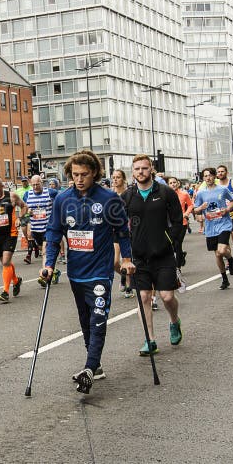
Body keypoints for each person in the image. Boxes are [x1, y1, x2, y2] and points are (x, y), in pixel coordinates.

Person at [41, 150, 134, 394]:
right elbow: (54, 233)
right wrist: (49, 264)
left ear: (94, 173)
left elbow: (122, 232)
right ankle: (96, 364)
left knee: (98, 317)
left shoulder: (109, 199)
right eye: (75, 175)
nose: (79, 179)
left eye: (84, 174)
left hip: (100, 271)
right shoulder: (62, 199)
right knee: (85, 319)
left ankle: (89, 368)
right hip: (76, 272)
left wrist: (126, 259)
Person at [124, 160, 184, 356]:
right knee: (143, 297)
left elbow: (178, 221)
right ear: (132, 172)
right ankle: (150, 340)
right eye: (137, 169)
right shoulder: (128, 196)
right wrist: (125, 251)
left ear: (151, 169)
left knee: (167, 297)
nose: (141, 172)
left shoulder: (165, 192)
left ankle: (174, 321)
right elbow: (119, 225)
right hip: (139, 256)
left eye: (144, 168)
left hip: (163, 254)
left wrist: (169, 241)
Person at [193, 167, 233, 290]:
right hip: (210, 227)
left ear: (214, 176)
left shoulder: (222, 189)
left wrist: (227, 209)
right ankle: (225, 279)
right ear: (203, 178)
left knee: (221, 250)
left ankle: (230, 259)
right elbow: (195, 210)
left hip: (224, 223)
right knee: (217, 255)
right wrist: (201, 207)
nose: (208, 178)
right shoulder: (201, 193)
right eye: (205, 176)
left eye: (210, 175)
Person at [23, 175, 58, 283]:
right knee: (42, 250)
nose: (35, 187)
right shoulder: (27, 194)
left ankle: (44, 275)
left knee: (45, 252)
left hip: (48, 227)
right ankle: (54, 271)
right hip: (35, 228)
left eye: (37, 184)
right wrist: (27, 212)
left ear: (41, 182)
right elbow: (24, 208)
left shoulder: (51, 192)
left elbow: (60, 201)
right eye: (33, 185)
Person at [111, 169, 134, 298]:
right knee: (114, 262)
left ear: (123, 179)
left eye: (118, 177)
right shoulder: (109, 194)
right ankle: (123, 275)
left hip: (127, 231)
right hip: (114, 231)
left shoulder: (129, 194)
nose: (115, 179)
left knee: (127, 260)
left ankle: (129, 286)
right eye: (113, 177)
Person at [168, 176, 193, 278]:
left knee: (178, 244)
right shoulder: (165, 195)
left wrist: (186, 213)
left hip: (182, 223)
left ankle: (177, 268)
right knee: (172, 246)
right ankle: (181, 255)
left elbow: (190, 205)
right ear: (168, 185)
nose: (173, 184)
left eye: (174, 182)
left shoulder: (184, 194)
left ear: (178, 183)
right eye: (170, 183)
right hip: (169, 224)